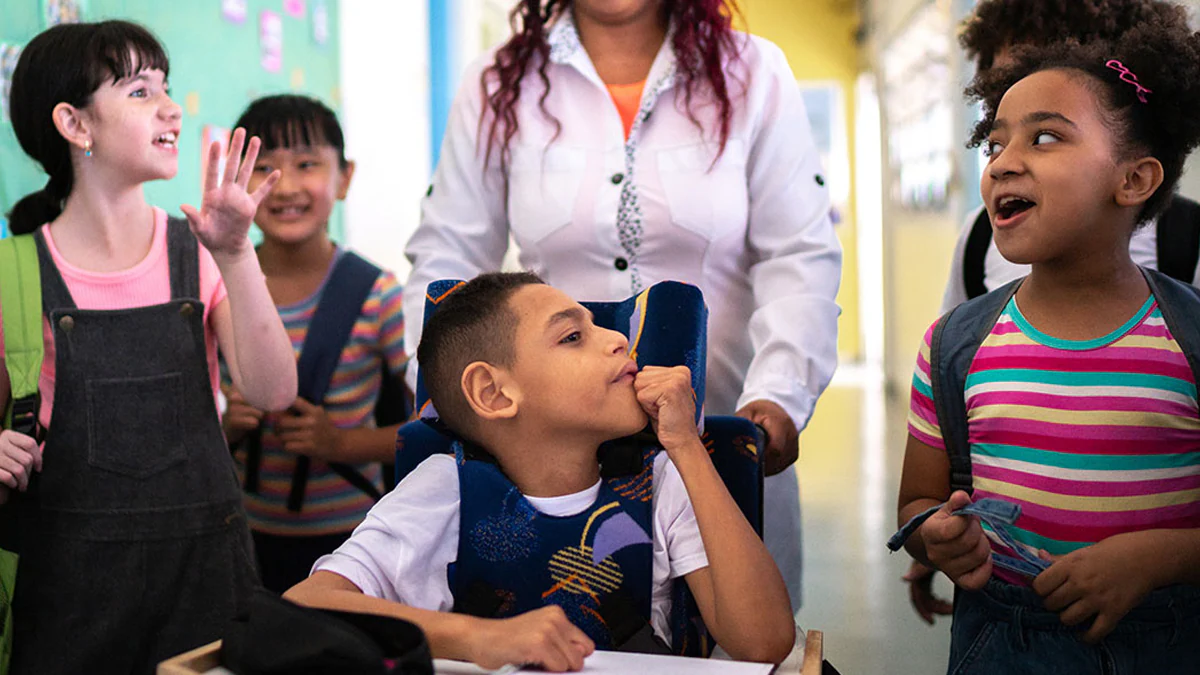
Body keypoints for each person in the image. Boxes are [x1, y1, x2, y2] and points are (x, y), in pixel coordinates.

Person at [403, 0, 840, 611]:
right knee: (560, 636)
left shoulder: (753, 74)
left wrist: (781, 394)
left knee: (734, 639)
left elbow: (798, 254)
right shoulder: (498, 85)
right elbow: (446, 258)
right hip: (546, 458)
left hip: (717, 438)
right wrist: (446, 395)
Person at [285, 272, 795, 671]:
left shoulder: (660, 481)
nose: (619, 340)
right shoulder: (443, 490)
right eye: (573, 336)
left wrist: (685, 445)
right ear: (493, 393)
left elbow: (765, 642)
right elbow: (307, 604)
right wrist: (479, 637)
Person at [895, 16, 1200, 673]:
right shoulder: (955, 346)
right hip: (1001, 645)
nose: (1003, 160)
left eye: (1044, 137)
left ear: (1134, 180)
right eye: (995, 142)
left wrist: (1157, 559)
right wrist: (938, 539)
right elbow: (916, 504)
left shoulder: (1188, 338)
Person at [0, 20, 296, 674]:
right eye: (138, 92)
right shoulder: (12, 273)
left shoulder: (203, 249)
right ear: (75, 125)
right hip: (66, 600)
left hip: (206, 587)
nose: (169, 108)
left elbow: (274, 392)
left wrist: (236, 251)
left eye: (167, 88)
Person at [219, 95, 408, 593]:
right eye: (263, 167)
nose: (285, 185)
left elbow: (433, 429)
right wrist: (225, 428)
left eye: (307, 164)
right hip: (240, 539)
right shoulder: (216, 284)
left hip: (355, 547)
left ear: (344, 177)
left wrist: (342, 444)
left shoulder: (378, 293)